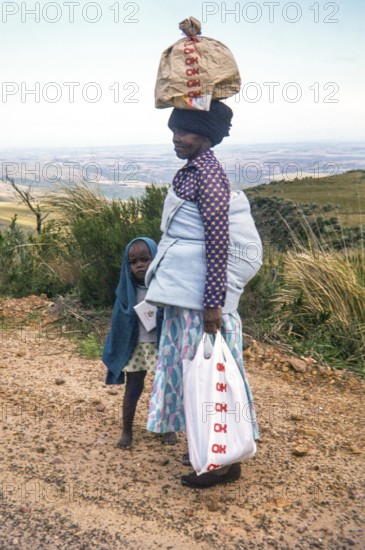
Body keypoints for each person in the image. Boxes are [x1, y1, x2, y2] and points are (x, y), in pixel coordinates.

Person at [145, 100, 262, 488]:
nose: (178, 138)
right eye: (174, 131)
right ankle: (209, 446)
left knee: (212, 377)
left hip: (202, 302)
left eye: (186, 132)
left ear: (207, 136)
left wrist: (213, 302)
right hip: (190, 299)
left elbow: (217, 241)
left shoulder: (208, 176)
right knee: (195, 375)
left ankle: (224, 462)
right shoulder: (193, 171)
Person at [102, 237, 176, 449]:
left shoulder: (163, 288)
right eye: (133, 262)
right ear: (128, 265)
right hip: (136, 347)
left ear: (156, 259)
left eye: (145, 259)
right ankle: (127, 430)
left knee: (164, 387)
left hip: (159, 346)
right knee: (133, 387)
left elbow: (171, 315)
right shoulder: (126, 292)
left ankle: (167, 426)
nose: (140, 265)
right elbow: (119, 321)